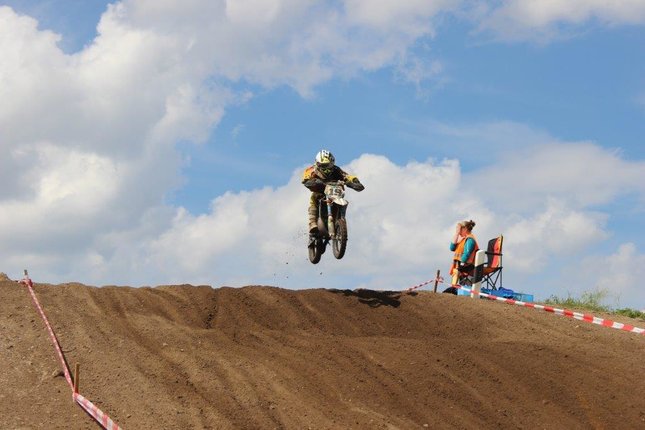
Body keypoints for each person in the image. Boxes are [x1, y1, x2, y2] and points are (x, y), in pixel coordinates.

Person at [302, 150, 364, 237]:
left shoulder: (336, 170)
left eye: (329, 165)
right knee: (314, 197)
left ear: (332, 163)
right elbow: (306, 178)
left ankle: (340, 220)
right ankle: (312, 223)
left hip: (335, 192)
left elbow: (347, 176)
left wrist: (355, 182)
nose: (327, 168)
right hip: (320, 191)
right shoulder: (312, 170)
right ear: (317, 164)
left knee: (343, 200)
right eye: (323, 166)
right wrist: (311, 181)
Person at [449, 220, 479, 285]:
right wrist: (456, 234)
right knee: (456, 272)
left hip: (468, 265)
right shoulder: (463, 239)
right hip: (463, 265)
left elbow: (466, 254)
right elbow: (452, 248)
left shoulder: (470, 239)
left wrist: (461, 266)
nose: (459, 232)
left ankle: (453, 287)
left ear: (465, 229)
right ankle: (454, 287)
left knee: (456, 272)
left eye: (459, 230)